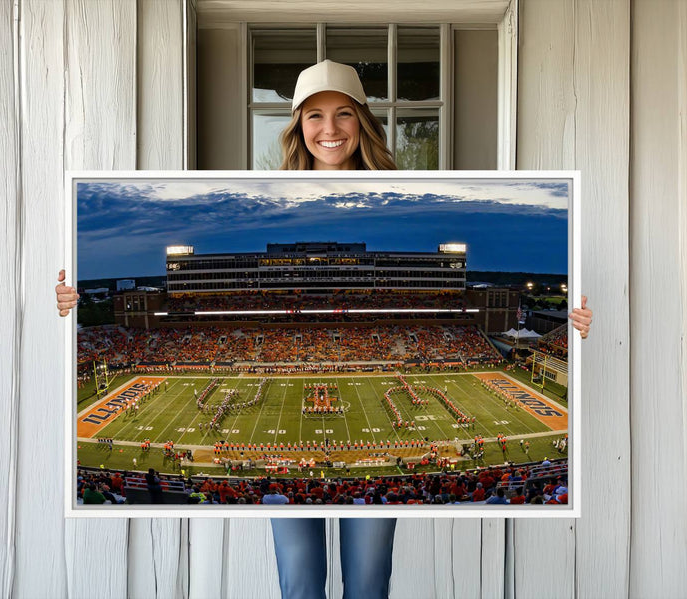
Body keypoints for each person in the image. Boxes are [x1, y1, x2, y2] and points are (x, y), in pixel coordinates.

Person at [56, 59, 593, 599]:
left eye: (343, 114)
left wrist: (574, 322)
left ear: (363, 121)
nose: (329, 129)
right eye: (314, 116)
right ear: (297, 126)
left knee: (367, 581)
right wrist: (70, 304)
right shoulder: (263, 193)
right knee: (300, 582)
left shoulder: (407, 192)